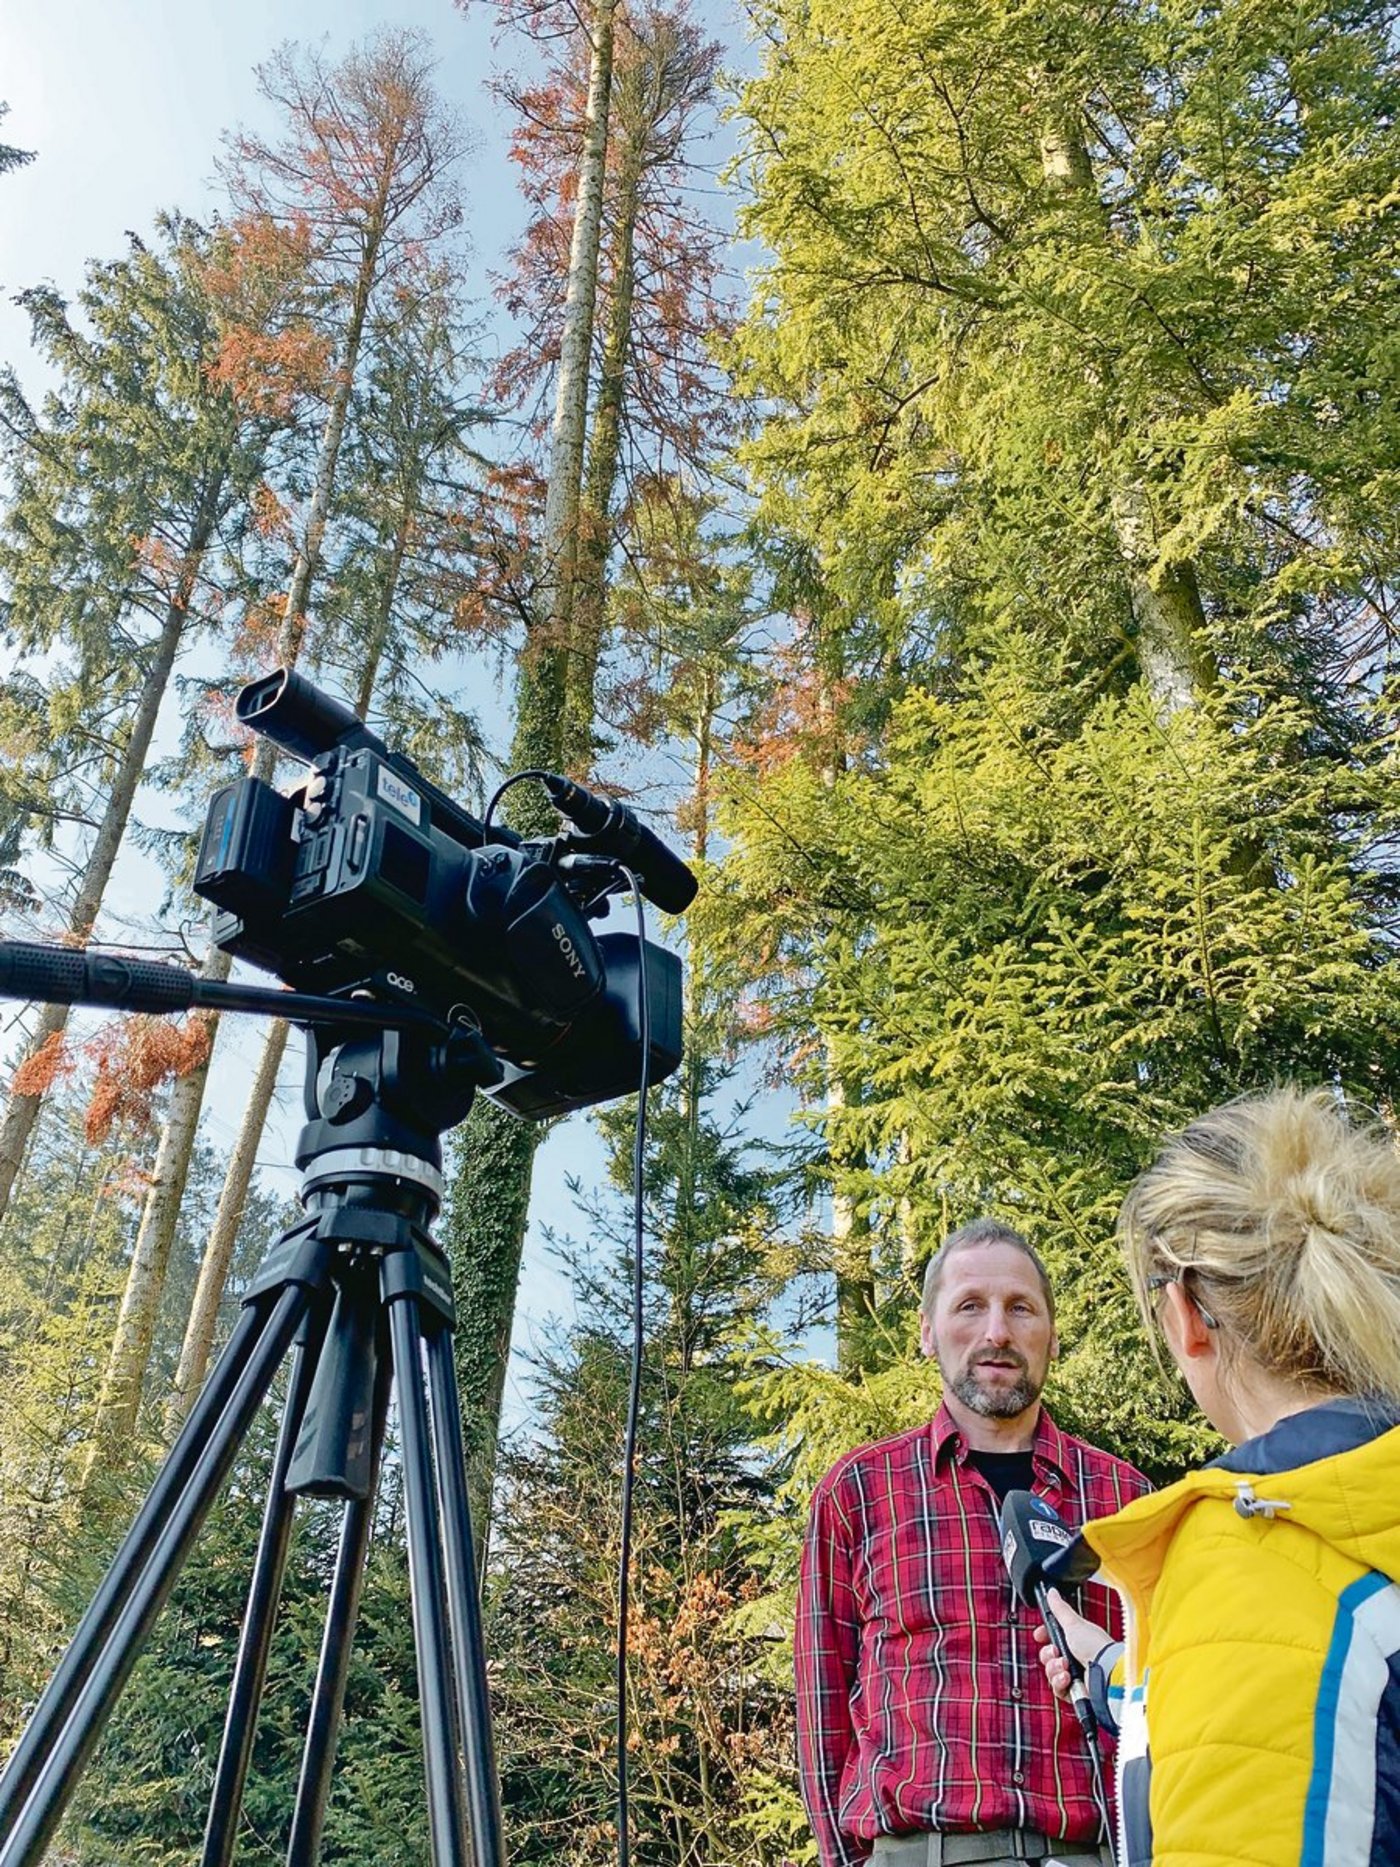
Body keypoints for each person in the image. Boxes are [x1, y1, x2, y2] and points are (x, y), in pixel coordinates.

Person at [1034, 1087, 1400, 1866]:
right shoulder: (1362, 1516)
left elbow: (1265, 1654)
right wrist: (1105, 1666)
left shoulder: (1246, 1553)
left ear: (1186, 1313)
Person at [796, 1218, 1151, 1867]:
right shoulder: (858, 1492)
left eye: (1021, 1307)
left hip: (1092, 1852)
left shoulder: (1126, 1498)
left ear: (1051, 1333)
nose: (997, 1331)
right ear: (928, 1332)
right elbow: (823, 1716)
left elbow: (1163, 1698)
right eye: (970, 1305)